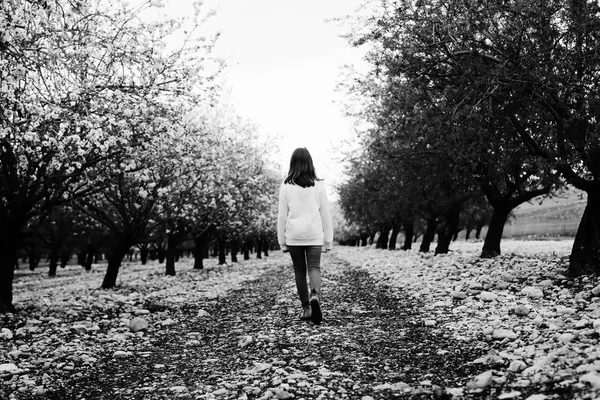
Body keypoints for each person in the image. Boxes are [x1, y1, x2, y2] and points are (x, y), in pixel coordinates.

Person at [277, 147, 333, 325]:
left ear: (292, 163)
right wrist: (328, 240)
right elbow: (325, 213)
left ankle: (306, 308)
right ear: (310, 163)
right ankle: (315, 294)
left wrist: (282, 241)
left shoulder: (286, 186)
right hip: (314, 234)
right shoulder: (319, 185)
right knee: (314, 268)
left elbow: (281, 216)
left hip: (294, 235)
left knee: (300, 271)